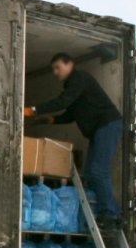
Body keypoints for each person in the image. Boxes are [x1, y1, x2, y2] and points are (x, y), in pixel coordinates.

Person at [24, 53, 122, 229]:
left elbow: (63, 101)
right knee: (92, 173)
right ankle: (108, 212)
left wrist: (34, 109)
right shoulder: (73, 87)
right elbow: (70, 114)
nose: (55, 72)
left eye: (57, 67)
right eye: (53, 69)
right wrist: (48, 120)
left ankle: (111, 213)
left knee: (99, 171)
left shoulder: (80, 78)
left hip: (107, 125)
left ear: (70, 64)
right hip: (98, 130)